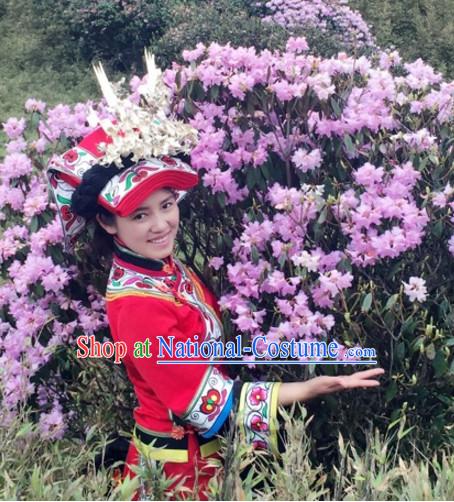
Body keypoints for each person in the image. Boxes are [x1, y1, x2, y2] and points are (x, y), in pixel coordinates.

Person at [47, 125, 384, 500]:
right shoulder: (138, 302)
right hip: (175, 474)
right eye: (140, 216)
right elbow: (202, 402)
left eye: (167, 205)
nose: (161, 225)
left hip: (205, 459)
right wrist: (306, 389)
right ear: (108, 223)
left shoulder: (169, 271)